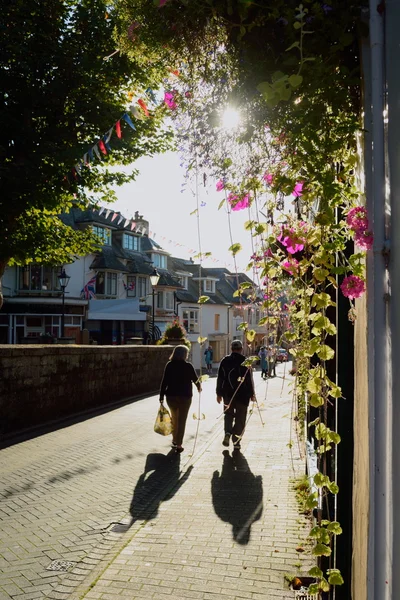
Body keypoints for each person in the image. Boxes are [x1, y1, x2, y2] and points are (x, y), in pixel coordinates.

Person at [159, 345, 201, 453]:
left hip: (171, 396)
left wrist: (161, 396)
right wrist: (199, 387)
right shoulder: (188, 366)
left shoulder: (169, 365)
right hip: (185, 397)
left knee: (174, 418)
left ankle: (174, 439)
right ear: (184, 354)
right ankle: (179, 444)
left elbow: (164, 381)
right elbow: (196, 379)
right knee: (182, 420)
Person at [216, 340, 255, 450]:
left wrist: (219, 393)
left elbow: (220, 378)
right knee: (240, 418)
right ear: (241, 349)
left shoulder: (225, 361)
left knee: (228, 415)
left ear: (231, 348)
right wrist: (252, 394)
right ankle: (236, 441)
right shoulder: (245, 361)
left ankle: (228, 432)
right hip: (243, 395)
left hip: (228, 394)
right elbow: (249, 379)